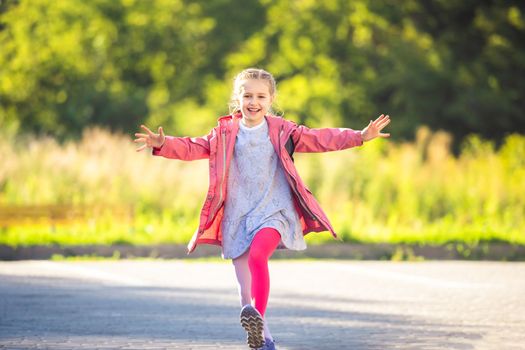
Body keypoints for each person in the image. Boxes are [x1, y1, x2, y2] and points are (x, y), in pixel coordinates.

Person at [134, 68, 391, 349]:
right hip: (237, 214)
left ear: (270, 100)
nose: (253, 102)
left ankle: (258, 319)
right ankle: (264, 340)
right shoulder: (224, 132)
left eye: (260, 96)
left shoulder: (282, 130)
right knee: (245, 294)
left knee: (258, 256)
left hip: (274, 211)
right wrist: (164, 144)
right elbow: (194, 147)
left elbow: (320, 138)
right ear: (238, 99)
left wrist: (360, 136)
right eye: (247, 96)